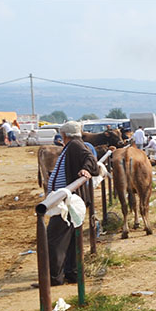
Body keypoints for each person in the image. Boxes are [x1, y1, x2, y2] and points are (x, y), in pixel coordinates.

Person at [41, 121, 100, 287]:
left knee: (53, 239)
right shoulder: (73, 145)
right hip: (67, 200)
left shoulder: (74, 145)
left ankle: (54, 278)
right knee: (70, 239)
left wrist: (86, 169)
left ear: (64, 135)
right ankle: (72, 273)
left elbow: (90, 159)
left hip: (67, 202)